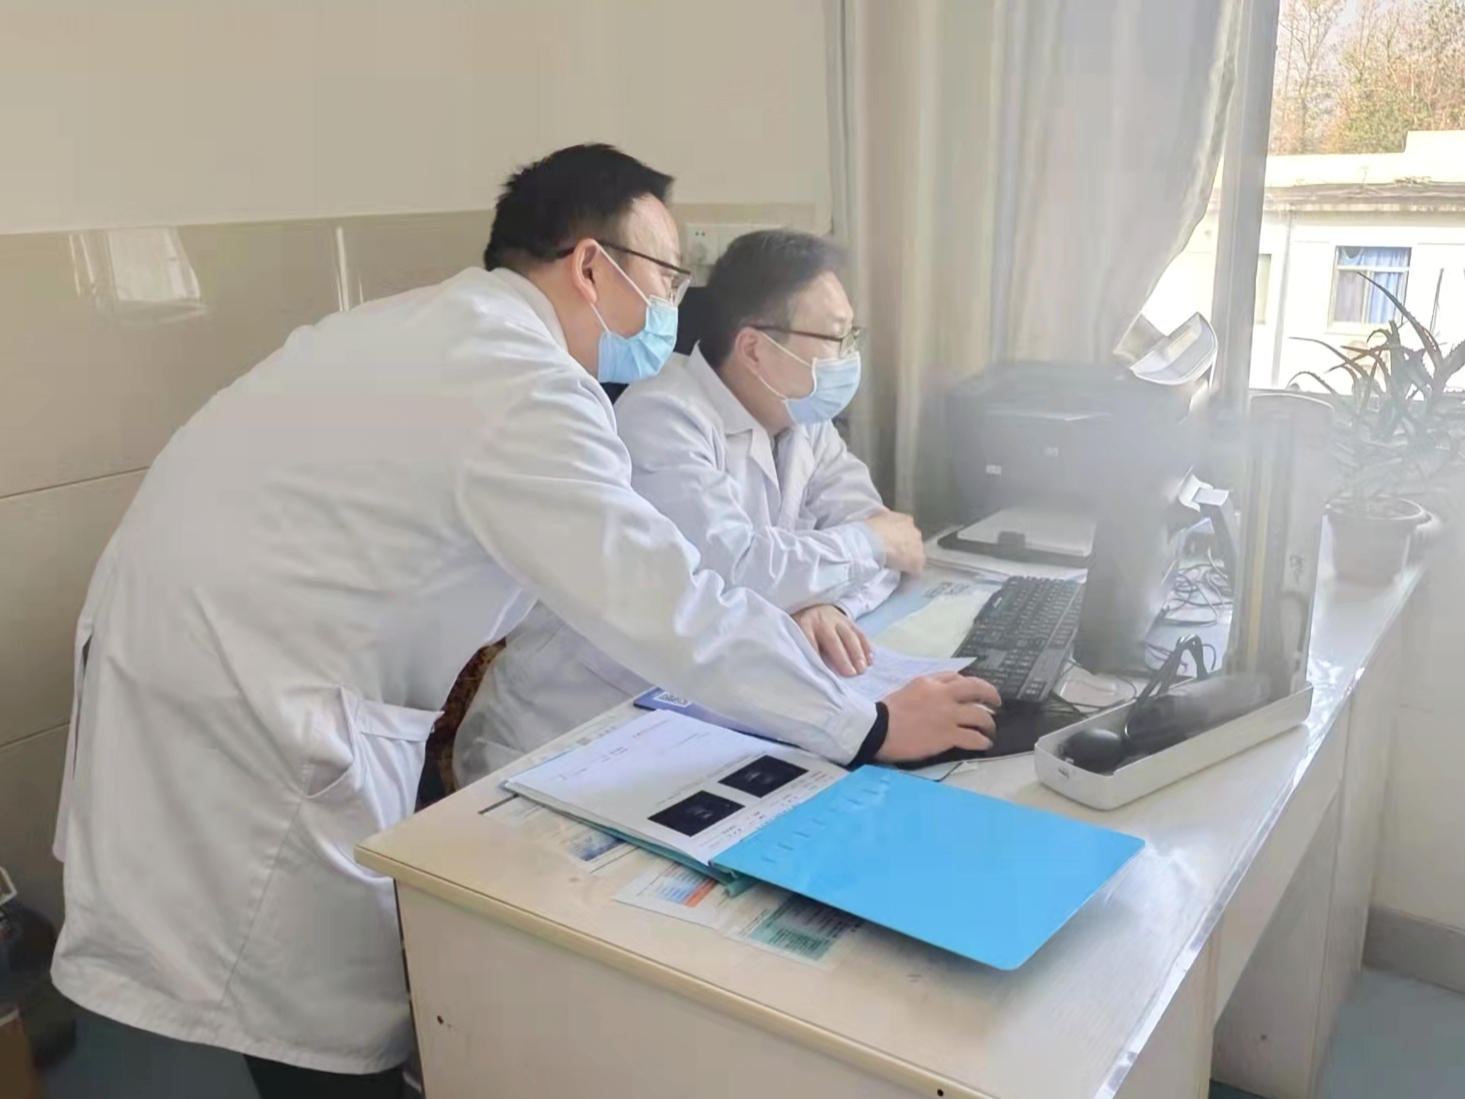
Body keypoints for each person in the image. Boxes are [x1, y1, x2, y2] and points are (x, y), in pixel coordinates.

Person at [49, 145, 1000, 1097]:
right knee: (311, 1015)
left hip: (206, 661)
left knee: (305, 990)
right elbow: (663, 596)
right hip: (247, 701)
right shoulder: (521, 382)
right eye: (666, 277)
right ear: (590, 265)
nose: (672, 307)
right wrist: (863, 723)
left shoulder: (436, 331)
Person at [456, 230, 929, 783]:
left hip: (693, 720)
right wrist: (863, 547)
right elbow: (738, 571)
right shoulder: (662, 414)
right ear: (754, 348)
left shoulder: (805, 420)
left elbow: (893, 552)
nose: (848, 354)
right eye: (834, 336)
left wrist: (830, 607)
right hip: (565, 729)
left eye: (852, 335)